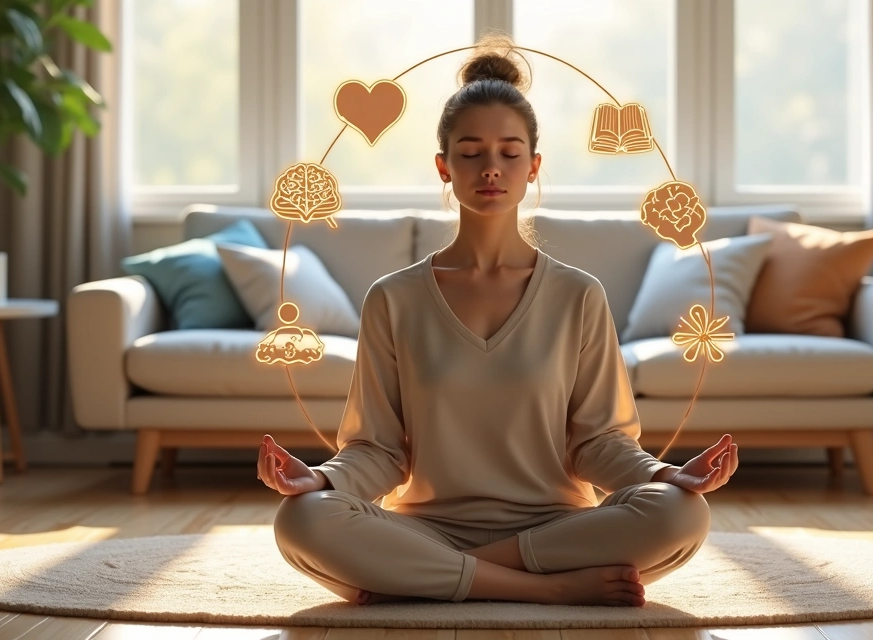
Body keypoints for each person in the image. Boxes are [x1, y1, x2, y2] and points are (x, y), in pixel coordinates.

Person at [257, 33, 739, 608]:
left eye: (510, 153)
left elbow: (598, 441)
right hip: (428, 527)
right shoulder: (393, 299)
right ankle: (547, 589)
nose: (491, 169)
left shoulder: (578, 296)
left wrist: (663, 474)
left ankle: (430, 578)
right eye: (471, 152)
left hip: (557, 530)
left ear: (534, 167)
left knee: (681, 512)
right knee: (302, 520)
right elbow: (380, 450)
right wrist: (322, 481)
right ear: (444, 167)